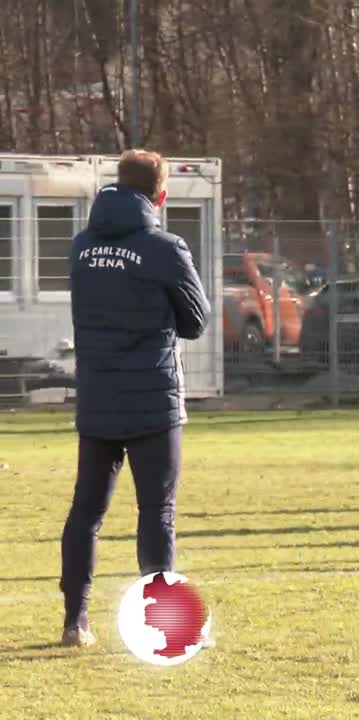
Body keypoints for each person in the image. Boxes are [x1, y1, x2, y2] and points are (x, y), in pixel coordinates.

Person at [61, 149, 210, 647]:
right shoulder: (165, 248)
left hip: (98, 400)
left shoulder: (81, 247)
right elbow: (196, 321)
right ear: (159, 196)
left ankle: (75, 621)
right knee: (156, 511)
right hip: (152, 400)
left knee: (87, 512)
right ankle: (162, 624)